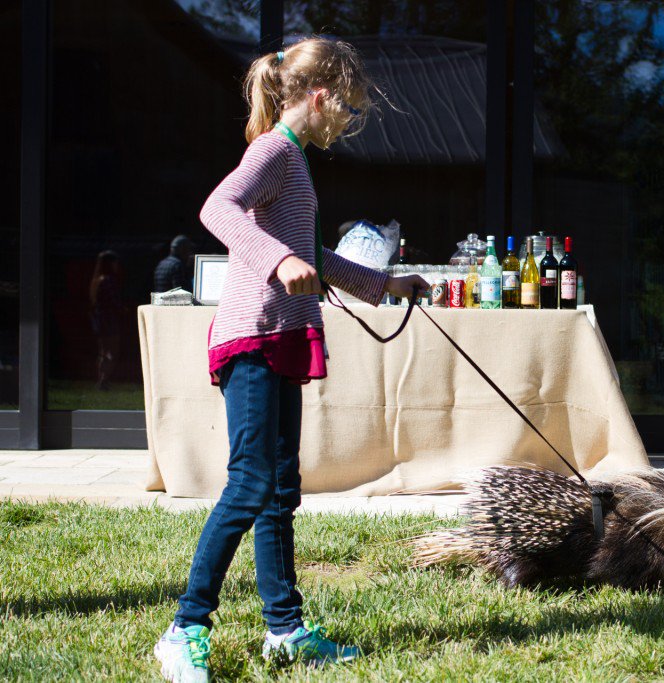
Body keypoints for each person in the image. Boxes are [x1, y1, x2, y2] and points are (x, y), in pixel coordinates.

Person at [153, 38, 428, 683]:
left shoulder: (298, 164)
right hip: (251, 337)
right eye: (348, 109)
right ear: (321, 96)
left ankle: (286, 630)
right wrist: (278, 261)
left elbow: (310, 255)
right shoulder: (275, 151)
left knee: (279, 491)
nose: (347, 123)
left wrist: (381, 284)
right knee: (251, 484)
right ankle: (184, 629)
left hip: (281, 338)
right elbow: (216, 208)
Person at [89, 250, 122, 390]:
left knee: (102, 351)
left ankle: (101, 379)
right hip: (109, 319)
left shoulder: (96, 280)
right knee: (112, 351)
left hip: (99, 319)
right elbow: (113, 302)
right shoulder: (108, 280)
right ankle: (104, 380)